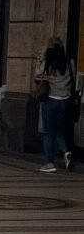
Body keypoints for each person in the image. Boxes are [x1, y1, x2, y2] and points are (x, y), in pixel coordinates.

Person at [34, 37, 75, 172]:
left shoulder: (48, 63)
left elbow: (37, 77)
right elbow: (73, 79)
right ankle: (66, 152)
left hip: (50, 101)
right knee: (59, 132)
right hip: (64, 101)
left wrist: (41, 58)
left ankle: (49, 163)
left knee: (48, 133)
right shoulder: (69, 63)